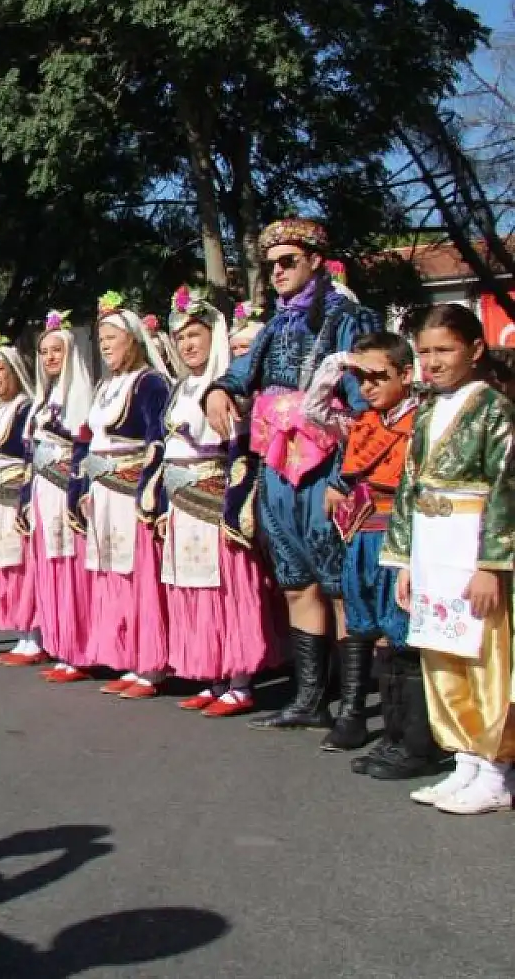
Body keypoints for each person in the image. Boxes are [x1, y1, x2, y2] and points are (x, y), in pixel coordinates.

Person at [203, 218, 377, 731]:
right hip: (278, 466)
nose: (277, 271)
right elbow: (242, 373)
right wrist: (219, 389)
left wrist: (347, 475)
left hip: (328, 468)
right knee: (297, 584)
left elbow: (365, 401)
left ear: (315, 261)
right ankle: (308, 698)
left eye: (288, 261)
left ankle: (352, 706)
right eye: (271, 264)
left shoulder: (347, 318)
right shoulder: (276, 324)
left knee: (339, 587)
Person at [386, 306, 515, 815]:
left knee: (484, 655)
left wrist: (492, 564)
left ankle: (496, 768)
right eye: (425, 352)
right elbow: (408, 486)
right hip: (431, 544)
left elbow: (506, 487)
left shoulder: (494, 410)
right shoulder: (426, 412)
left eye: (445, 350)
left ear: (475, 349)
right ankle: (464, 757)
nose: (433, 362)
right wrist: (404, 560)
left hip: (471, 543)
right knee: (441, 650)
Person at [304, 332, 441, 773]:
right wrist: (340, 362)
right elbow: (314, 409)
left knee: (402, 633)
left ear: (406, 374)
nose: (367, 386)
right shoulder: (362, 422)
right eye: (360, 378)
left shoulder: (424, 417)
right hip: (363, 535)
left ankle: (415, 741)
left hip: (400, 536)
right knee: (371, 630)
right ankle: (389, 735)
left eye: (378, 376)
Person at [149, 287, 275, 718]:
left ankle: (239, 681)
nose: (188, 345)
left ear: (213, 336)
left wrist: (235, 509)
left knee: (224, 588)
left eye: (195, 335)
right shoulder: (181, 387)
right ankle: (213, 675)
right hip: (181, 501)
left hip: (213, 499)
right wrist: (164, 504)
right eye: (181, 337)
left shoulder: (225, 386)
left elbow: (239, 450)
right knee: (191, 588)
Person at [74, 294, 173, 699]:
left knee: (138, 578)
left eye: (112, 337)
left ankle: (152, 666)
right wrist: (85, 487)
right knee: (112, 577)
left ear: (133, 339)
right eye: (101, 339)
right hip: (103, 496)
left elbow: (157, 440)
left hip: (131, 495)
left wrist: (148, 493)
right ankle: (129, 658)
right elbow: (90, 440)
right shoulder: (105, 386)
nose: (105, 345)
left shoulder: (150, 383)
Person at [20, 311, 96, 682]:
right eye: (44, 351)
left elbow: (83, 446)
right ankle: (59, 645)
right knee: (49, 568)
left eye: (56, 350)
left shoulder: (81, 395)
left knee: (71, 568)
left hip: (66, 489)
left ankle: (78, 650)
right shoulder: (42, 399)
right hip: (42, 491)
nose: (50, 357)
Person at [0, 335, 41, 666]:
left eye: (0, 370)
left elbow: (31, 458)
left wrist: (25, 500)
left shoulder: (26, 409)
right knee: (4, 567)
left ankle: (35, 637)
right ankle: (21, 635)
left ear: (14, 371)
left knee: (23, 565)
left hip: (16, 499)